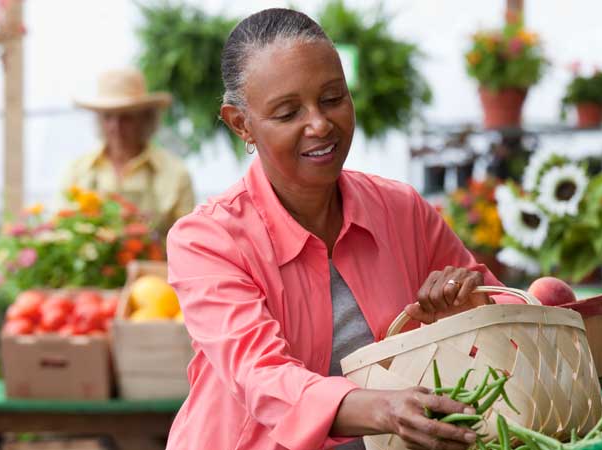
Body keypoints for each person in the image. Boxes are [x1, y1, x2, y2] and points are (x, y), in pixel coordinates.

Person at [166, 9, 523, 450]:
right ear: (242, 124)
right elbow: (260, 374)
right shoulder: (207, 240)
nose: (319, 124)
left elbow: (508, 318)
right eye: (288, 112)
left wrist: (467, 306)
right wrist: (384, 409)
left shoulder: (402, 210)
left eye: (333, 98)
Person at [61, 67, 195, 235]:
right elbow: (61, 230)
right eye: (108, 117)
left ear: (145, 119)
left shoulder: (175, 173)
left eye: (126, 117)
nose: (115, 127)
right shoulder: (78, 170)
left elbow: (188, 240)